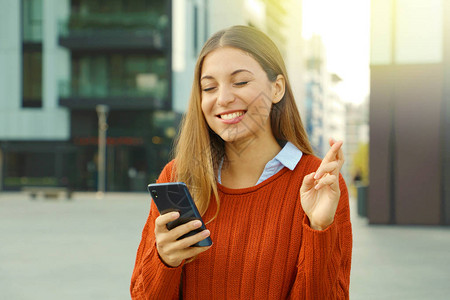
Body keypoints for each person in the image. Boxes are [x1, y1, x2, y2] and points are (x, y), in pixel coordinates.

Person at [130, 25, 352, 299]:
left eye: (240, 82)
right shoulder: (179, 176)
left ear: (277, 89)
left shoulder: (318, 184)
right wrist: (165, 261)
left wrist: (319, 230)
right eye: (209, 87)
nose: (223, 99)